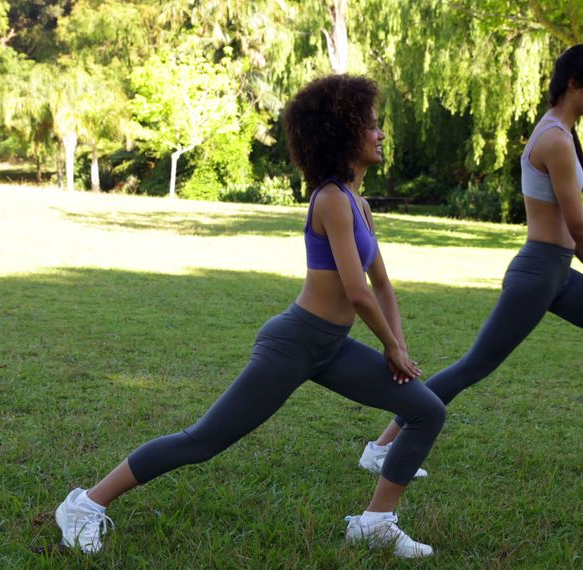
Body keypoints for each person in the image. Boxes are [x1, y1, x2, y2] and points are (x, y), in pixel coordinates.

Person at [55, 75, 446, 558]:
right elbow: (357, 292)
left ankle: (375, 523)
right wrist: (390, 347)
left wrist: (399, 346)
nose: (380, 134)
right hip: (296, 343)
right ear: (343, 133)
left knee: (426, 409)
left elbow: (382, 285)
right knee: (203, 441)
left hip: (331, 347)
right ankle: (85, 504)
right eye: (370, 125)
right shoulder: (328, 200)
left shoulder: (359, 206)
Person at [358, 44, 583, 479]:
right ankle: (381, 447)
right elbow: (578, 228)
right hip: (540, 273)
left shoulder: (560, 131)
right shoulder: (555, 140)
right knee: (475, 365)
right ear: (573, 84)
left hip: (557, 273)